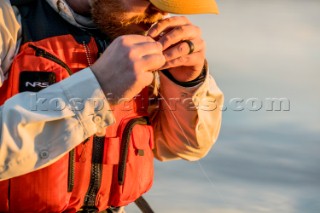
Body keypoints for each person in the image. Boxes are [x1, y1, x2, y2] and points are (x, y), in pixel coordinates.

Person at [0, 0, 223, 212]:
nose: (161, 13)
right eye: (151, 0)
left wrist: (188, 82)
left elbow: (184, 146)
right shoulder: (8, 20)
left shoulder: (136, 30)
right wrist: (97, 89)